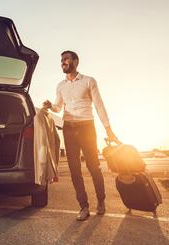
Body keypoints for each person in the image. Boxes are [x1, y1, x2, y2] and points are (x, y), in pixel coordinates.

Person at [44, 50, 118, 221]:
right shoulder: (60, 86)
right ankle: (83, 206)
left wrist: (108, 129)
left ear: (76, 61)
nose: (63, 62)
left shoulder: (89, 81)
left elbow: (99, 105)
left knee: (93, 167)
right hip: (69, 128)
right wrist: (50, 106)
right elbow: (58, 107)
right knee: (74, 170)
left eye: (66, 59)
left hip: (87, 127)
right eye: (61, 60)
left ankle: (101, 200)